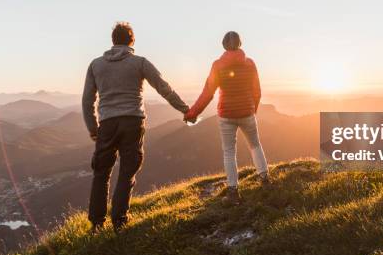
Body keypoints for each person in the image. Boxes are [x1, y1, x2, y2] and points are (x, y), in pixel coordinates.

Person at [82, 22, 189, 232]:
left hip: (107, 123)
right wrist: (185, 109)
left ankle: (96, 224)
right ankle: (120, 222)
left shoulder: (95, 65)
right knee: (127, 170)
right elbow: (163, 88)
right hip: (133, 121)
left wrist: (93, 127)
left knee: (101, 172)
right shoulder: (139, 62)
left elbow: (87, 101)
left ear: (113, 41)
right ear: (132, 41)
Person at [184, 31, 269, 204]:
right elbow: (257, 91)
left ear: (223, 45)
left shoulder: (217, 65)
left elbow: (207, 93)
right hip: (247, 112)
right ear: (240, 44)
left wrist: (192, 114)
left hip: (226, 114)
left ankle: (233, 192)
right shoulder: (250, 63)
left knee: (229, 152)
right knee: (255, 145)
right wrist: (253, 109)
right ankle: (265, 180)